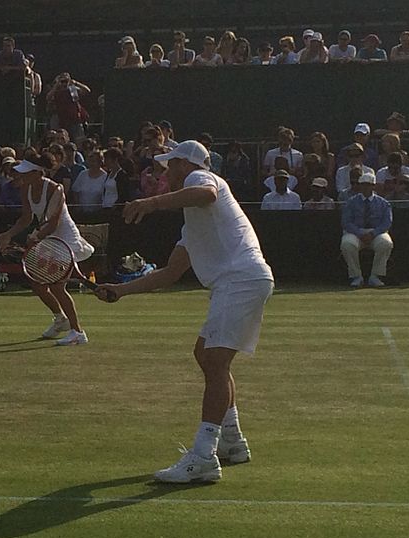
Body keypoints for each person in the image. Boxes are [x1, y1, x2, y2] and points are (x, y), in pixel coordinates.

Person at [94, 140, 274, 483]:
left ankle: (204, 457)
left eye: (169, 165)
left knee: (216, 361)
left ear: (184, 164)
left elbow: (204, 194)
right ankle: (232, 442)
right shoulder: (192, 225)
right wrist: (120, 291)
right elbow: (168, 274)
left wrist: (151, 202)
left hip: (241, 279)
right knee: (206, 355)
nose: (164, 172)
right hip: (237, 282)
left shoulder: (203, 180)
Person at [0, 154, 94, 346]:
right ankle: (60, 319)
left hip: (66, 237)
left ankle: (78, 332)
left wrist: (36, 236)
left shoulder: (56, 189)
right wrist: (8, 234)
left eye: (25, 172)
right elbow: (25, 218)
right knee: (38, 283)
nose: (19, 176)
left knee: (57, 286)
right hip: (48, 237)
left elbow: (54, 222)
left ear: (38, 173)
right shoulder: (26, 188)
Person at [340, 172, 393, 287]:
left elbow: (386, 223)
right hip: (355, 233)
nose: (366, 187)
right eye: (363, 184)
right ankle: (356, 276)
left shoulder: (384, 203)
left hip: (376, 233)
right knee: (347, 244)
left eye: (368, 185)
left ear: (374, 186)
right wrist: (359, 233)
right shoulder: (351, 202)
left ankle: (375, 276)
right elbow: (346, 222)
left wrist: (373, 233)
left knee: (386, 243)